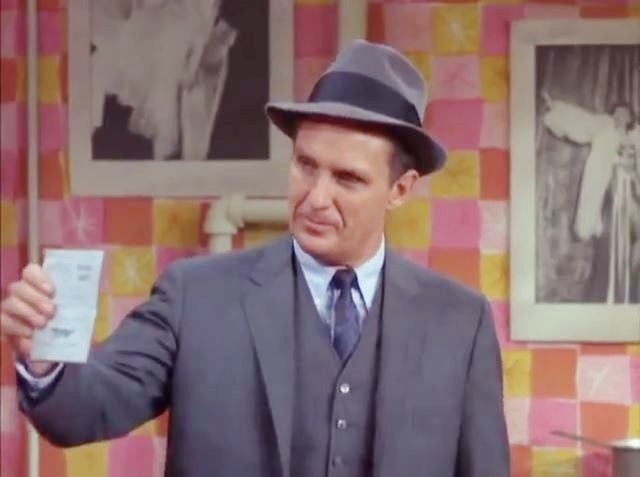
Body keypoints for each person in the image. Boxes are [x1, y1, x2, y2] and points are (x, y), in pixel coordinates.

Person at [1, 40, 509, 476]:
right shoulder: (195, 296)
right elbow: (83, 410)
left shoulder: (459, 323)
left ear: (400, 189)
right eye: (305, 165)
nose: (316, 197)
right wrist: (43, 360)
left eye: (347, 178)